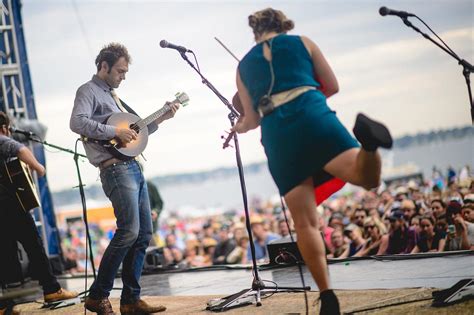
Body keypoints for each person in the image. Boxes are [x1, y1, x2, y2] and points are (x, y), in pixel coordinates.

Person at [231, 8, 393, 314]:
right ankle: (369, 146)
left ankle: (327, 295)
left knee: (305, 223)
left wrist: (237, 126)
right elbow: (331, 86)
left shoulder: (243, 66)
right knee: (367, 178)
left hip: (278, 133)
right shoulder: (304, 43)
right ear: (283, 25)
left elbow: (251, 120)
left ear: (255, 31)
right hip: (312, 113)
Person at [70, 43, 179, 314]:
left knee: (143, 234)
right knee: (129, 230)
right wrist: (112, 132)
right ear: (103, 66)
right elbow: (77, 122)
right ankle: (98, 295)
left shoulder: (114, 96)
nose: (123, 76)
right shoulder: (88, 91)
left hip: (133, 168)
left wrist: (161, 119)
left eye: (126, 71)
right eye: (120, 70)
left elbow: (133, 134)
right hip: (116, 170)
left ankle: (130, 300)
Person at [0, 111, 77, 315]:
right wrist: (38, 167)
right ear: (4, 128)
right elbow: (20, 148)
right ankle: (52, 290)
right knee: (34, 246)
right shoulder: (2, 139)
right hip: (10, 206)